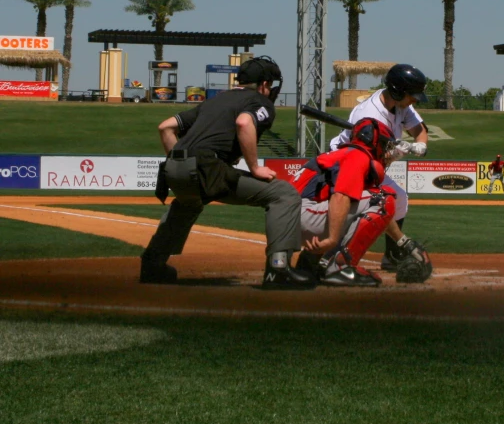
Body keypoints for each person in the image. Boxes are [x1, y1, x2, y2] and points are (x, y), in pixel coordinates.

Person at [139, 56, 314, 290]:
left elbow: (166, 127)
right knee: (284, 194)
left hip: (174, 167)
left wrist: (182, 164)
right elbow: (244, 123)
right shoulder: (258, 101)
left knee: (188, 203)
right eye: (269, 85)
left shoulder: (215, 101)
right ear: (263, 84)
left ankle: (152, 264)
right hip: (206, 166)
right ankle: (278, 268)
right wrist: (255, 167)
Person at [328, 63, 429, 273]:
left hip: (372, 160)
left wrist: (420, 144)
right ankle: (336, 257)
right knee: (367, 205)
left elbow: (420, 130)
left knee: (399, 198)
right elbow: (368, 159)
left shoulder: (402, 104)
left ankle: (392, 256)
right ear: (397, 91)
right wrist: (394, 154)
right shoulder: (368, 115)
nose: (414, 100)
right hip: (346, 161)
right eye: (412, 95)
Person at [292, 117, 409, 287]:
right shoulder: (358, 156)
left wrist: (403, 241)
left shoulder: (342, 154)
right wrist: (332, 239)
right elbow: (340, 197)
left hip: (286, 220)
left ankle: (309, 263)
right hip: (301, 215)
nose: (384, 150)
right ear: (373, 142)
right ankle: (341, 266)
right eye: (383, 144)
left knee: (352, 210)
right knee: (383, 198)